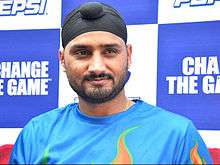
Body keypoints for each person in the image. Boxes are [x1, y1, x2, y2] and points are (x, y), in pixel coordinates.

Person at [9, 2, 212, 164]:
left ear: (128, 55)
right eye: (82, 53)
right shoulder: (36, 134)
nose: (97, 66)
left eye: (110, 51)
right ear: (62, 60)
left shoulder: (177, 135)